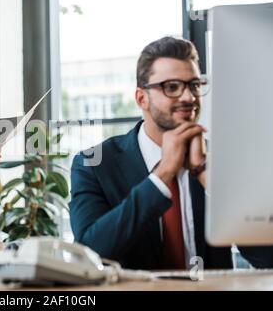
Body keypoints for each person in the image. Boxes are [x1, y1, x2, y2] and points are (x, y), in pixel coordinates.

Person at [69, 36, 273, 270]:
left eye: (194, 85)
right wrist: (162, 175)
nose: (189, 97)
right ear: (141, 98)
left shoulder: (225, 160)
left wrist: (207, 176)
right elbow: (89, 254)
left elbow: (267, 258)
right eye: (172, 87)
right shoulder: (94, 164)